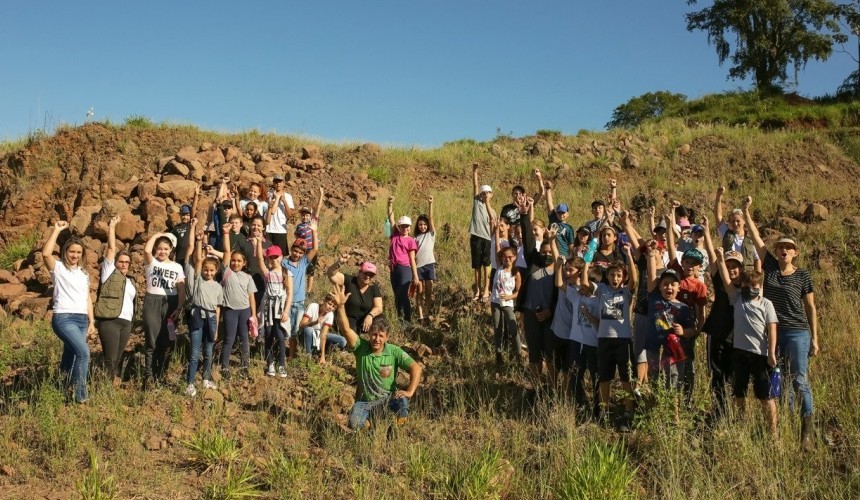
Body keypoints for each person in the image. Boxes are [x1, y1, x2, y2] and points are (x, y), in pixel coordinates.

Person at [742, 195, 818, 449]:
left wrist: (815, 339)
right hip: (774, 332)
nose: (783, 249)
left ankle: (806, 431)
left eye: (788, 247)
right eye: (780, 247)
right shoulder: (770, 268)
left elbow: (810, 307)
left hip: (797, 332)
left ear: (795, 253)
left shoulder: (803, 275)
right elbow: (755, 238)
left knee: (799, 379)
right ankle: (785, 426)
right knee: (781, 379)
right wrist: (746, 211)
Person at [332, 285, 423, 430]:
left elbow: (416, 368)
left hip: (388, 399)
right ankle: (371, 428)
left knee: (403, 403)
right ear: (369, 334)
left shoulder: (394, 351)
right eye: (374, 334)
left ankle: (399, 432)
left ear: (387, 337)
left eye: (381, 336)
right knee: (354, 424)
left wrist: (410, 391)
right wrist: (341, 306)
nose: (377, 339)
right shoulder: (361, 347)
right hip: (364, 402)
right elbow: (346, 329)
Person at [714, 248, 779, 435]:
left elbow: (772, 328)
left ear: (759, 287)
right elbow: (727, 281)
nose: (750, 289)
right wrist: (719, 260)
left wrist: (772, 353)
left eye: (754, 286)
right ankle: (741, 427)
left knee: (765, 396)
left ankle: (772, 432)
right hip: (739, 353)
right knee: (739, 394)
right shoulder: (737, 298)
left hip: (761, 355)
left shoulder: (766, 304)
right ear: (741, 286)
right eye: (746, 286)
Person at [580, 246, 638, 432]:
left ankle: (628, 412)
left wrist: (628, 255)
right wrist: (587, 260)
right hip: (604, 339)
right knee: (604, 377)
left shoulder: (626, 293)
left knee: (626, 379)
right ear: (608, 276)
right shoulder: (603, 289)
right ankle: (603, 412)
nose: (615, 278)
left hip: (623, 340)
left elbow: (634, 281)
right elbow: (585, 283)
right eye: (612, 275)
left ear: (623, 277)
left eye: (619, 275)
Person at [42, 220, 94, 403]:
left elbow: (87, 297)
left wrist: (92, 321)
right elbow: (46, 253)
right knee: (84, 353)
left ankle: (61, 387)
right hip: (64, 318)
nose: (75, 255)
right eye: (72, 251)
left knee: (70, 354)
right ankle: (81, 395)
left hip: (81, 319)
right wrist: (56, 230)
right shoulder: (59, 268)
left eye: (78, 252)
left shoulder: (83, 273)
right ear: (65, 252)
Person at [700, 215, 739, 421]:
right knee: (717, 376)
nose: (732, 269)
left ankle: (730, 414)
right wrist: (707, 231)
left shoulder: (745, 287)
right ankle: (718, 412)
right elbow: (711, 256)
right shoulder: (718, 280)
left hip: (737, 336)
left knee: (732, 376)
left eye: (736, 266)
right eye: (729, 265)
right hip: (716, 332)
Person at [519, 197, 560, 386]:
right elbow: (528, 241)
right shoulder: (534, 262)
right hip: (531, 315)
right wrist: (524, 215)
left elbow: (560, 294)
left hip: (551, 317)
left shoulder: (560, 271)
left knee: (551, 355)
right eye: (544, 252)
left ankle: (552, 388)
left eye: (550, 252)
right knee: (535, 354)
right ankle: (535, 390)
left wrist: (550, 310)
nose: (547, 255)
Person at [644, 245, 696, 386]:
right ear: (659, 286)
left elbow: (692, 330)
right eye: (665, 284)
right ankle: (654, 405)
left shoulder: (683, 308)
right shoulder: (654, 297)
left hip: (672, 349)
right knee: (654, 378)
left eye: (673, 284)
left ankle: (674, 407)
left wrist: (683, 332)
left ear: (679, 287)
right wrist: (651, 256)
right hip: (653, 346)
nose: (669, 287)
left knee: (673, 379)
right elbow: (651, 276)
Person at [94, 216, 136, 382]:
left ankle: (108, 385)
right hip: (110, 320)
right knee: (110, 359)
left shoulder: (131, 281)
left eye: (127, 262)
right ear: (115, 262)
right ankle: (105, 389)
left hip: (126, 322)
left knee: (117, 358)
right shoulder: (109, 272)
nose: (124, 264)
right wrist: (112, 227)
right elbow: (111, 248)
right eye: (121, 261)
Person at [142, 230, 186, 388]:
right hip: (152, 301)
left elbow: (181, 289)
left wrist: (179, 307)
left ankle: (160, 374)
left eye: (166, 249)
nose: (162, 251)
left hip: (171, 303)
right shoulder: (152, 262)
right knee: (151, 339)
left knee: (166, 340)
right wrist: (158, 234)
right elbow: (146, 250)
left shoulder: (177, 267)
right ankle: (148, 376)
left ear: (171, 250)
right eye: (160, 248)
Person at [184, 225, 223, 396]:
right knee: (194, 353)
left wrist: (216, 329)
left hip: (211, 318)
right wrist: (200, 241)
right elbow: (198, 260)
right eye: (206, 270)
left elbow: (217, 307)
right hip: (198, 317)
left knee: (208, 352)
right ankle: (190, 383)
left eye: (211, 270)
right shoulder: (198, 279)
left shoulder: (218, 287)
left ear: (216, 271)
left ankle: (206, 379)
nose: (208, 272)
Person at [219, 225, 258, 379]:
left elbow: (251, 297)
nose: (235, 263)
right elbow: (227, 252)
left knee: (244, 338)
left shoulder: (248, 277)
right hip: (230, 310)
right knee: (229, 338)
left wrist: (253, 315)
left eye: (238, 261)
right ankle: (225, 367)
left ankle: (244, 365)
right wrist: (226, 233)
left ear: (244, 263)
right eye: (233, 261)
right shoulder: (227, 272)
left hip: (245, 311)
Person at [255, 243, 293, 377]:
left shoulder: (286, 273)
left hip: (280, 308)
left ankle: (282, 364)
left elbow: (290, 293)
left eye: (276, 257)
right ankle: (270, 363)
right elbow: (259, 260)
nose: (274, 259)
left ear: (281, 257)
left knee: (280, 335)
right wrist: (259, 242)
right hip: (268, 308)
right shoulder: (267, 273)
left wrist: (286, 311)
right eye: (271, 257)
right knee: (268, 334)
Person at [282, 223, 319, 358]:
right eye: (295, 251)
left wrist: (314, 232)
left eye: (300, 252)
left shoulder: (304, 262)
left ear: (303, 254)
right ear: (292, 250)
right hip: (286, 302)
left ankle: (293, 354)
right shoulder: (284, 263)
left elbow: (314, 249)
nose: (297, 254)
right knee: (285, 329)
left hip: (299, 302)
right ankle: (285, 354)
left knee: (296, 330)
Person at [326, 255, 384, 333]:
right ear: (359, 272)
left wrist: (370, 315)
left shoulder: (373, 287)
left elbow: (379, 307)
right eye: (366, 273)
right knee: (351, 330)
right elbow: (331, 274)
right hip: (347, 317)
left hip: (365, 319)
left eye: (371, 275)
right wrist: (339, 263)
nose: (368, 277)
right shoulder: (349, 280)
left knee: (381, 321)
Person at [387, 196, 422, 322]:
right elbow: (391, 219)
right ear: (399, 227)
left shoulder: (411, 240)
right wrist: (390, 204)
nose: (405, 228)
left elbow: (412, 259)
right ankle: (399, 318)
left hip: (404, 268)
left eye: (407, 226)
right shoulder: (395, 235)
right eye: (403, 226)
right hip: (393, 267)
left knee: (403, 293)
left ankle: (407, 319)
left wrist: (415, 276)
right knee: (396, 294)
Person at [490, 225, 521, 367]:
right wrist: (497, 231)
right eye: (504, 257)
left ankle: (518, 354)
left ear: (514, 258)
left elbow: (519, 292)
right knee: (497, 327)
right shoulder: (499, 267)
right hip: (496, 301)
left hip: (508, 303)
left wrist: (510, 297)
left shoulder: (516, 272)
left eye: (510, 257)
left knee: (513, 327)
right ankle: (498, 353)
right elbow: (497, 246)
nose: (507, 259)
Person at [714, 186, 760, 273]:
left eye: (738, 221)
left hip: (747, 275)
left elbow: (757, 258)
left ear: (744, 221)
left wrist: (757, 278)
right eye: (732, 221)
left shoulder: (751, 237)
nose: (735, 224)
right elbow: (718, 217)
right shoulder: (725, 233)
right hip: (730, 273)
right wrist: (718, 196)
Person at [300, 293, 347, 364]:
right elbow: (302, 325)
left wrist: (322, 356)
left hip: (319, 335)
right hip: (306, 334)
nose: (330, 307)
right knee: (308, 330)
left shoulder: (330, 314)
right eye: (329, 304)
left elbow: (323, 334)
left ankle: (324, 353)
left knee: (342, 341)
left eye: (333, 306)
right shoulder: (313, 306)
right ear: (324, 301)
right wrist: (314, 322)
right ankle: (308, 356)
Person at [294, 187, 325, 297]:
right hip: (303, 250)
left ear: (310, 215)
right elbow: (297, 237)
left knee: (311, 270)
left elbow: (319, 208)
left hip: (313, 249)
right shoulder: (299, 226)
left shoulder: (313, 221)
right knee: (302, 269)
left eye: (307, 215)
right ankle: (300, 287)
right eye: (303, 214)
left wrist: (321, 194)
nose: (305, 216)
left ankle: (309, 290)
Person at [469, 163, 492, 302]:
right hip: (476, 237)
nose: (485, 194)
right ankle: (477, 290)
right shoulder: (477, 202)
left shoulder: (492, 210)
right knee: (477, 265)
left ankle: (486, 290)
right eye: (483, 193)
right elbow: (475, 186)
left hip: (487, 239)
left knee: (486, 265)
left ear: (491, 194)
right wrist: (475, 171)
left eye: (488, 192)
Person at [414, 195, 437, 322]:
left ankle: (427, 313)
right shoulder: (415, 238)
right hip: (418, 267)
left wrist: (430, 204)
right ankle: (420, 316)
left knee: (428, 292)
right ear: (417, 226)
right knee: (420, 292)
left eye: (424, 224)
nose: (423, 226)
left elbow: (432, 219)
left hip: (429, 265)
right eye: (420, 224)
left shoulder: (431, 234)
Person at [541, 180, 575, 259]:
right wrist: (548, 189)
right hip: (551, 251)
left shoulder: (569, 228)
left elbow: (571, 244)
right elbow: (549, 203)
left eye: (563, 213)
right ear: (556, 213)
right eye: (559, 213)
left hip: (563, 254)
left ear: (567, 214)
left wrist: (571, 256)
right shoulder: (553, 219)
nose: (561, 215)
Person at [266, 175, 295, 255]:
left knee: (280, 254)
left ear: (283, 183)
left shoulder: (288, 196)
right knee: (268, 254)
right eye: (276, 182)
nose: (278, 184)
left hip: (281, 230)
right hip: (269, 229)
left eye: (280, 182)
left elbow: (290, 215)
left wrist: (284, 202)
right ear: (273, 183)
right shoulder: (269, 195)